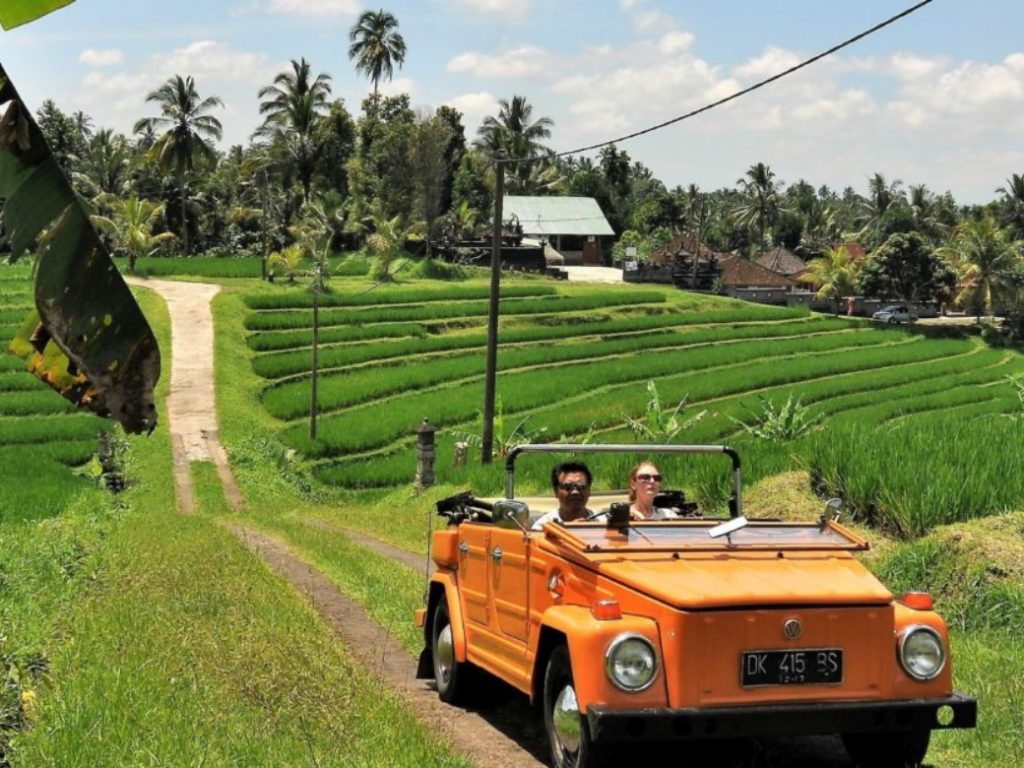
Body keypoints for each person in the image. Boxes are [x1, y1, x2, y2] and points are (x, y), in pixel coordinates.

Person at [531, 460, 594, 530]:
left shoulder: (603, 523)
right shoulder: (542, 527)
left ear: (589, 490)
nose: (575, 492)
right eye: (568, 487)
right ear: (556, 492)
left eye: (581, 486)